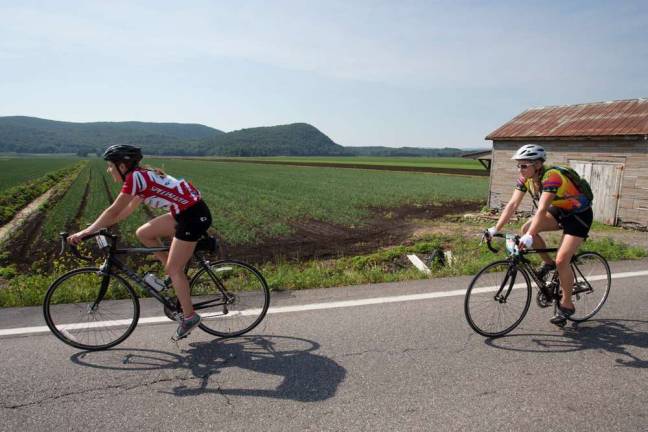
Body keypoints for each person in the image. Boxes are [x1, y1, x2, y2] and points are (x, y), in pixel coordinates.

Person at [67, 144, 212, 340]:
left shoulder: (136, 178)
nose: (109, 170)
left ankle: (189, 317)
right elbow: (123, 213)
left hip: (193, 216)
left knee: (175, 268)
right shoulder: (140, 177)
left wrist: (85, 232)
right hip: (184, 213)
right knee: (144, 233)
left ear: (123, 166)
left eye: (110, 166)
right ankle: (169, 276)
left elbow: (113, 210)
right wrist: (100, 228)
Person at [485, 144, 593, 326]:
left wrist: (530, 236)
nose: (520, 169)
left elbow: (542, 209)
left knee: (562, 260)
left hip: (579, 216)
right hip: (560, 210)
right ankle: (548, 264)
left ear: (537, 165)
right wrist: (495, 229)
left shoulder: (552, 177)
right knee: (526, 229)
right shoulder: (525, 179)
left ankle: (567, 304)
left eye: (524, 165)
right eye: (518, 165)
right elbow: (512, 205)